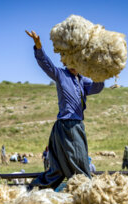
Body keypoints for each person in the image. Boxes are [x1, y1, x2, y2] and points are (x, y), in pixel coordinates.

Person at [26, 30, 104, 190]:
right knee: (81, 164)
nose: (74, 65)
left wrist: (103, 72)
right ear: (67, 61)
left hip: (72, 126)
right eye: (72, 61)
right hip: (68, 126)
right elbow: (46, 65)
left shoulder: (83, 81)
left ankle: (34, 190)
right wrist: (38, 47)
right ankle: (87, 194)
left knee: (58, 170)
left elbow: (97, 87)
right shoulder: (61, 75)